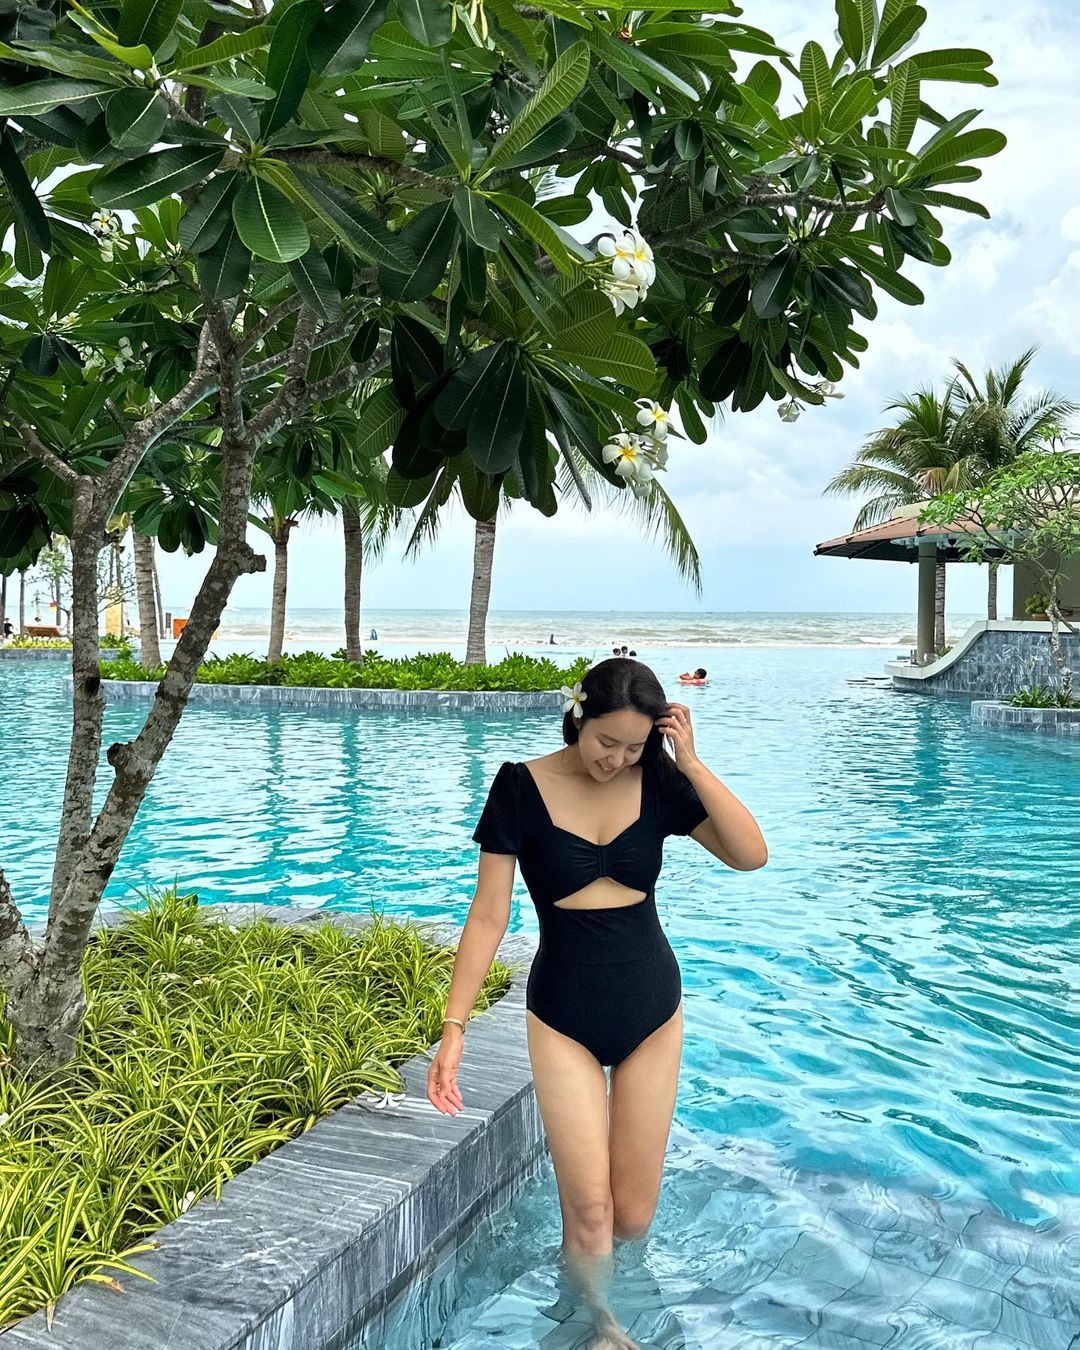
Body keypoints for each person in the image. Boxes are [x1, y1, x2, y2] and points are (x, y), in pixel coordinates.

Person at [428, 658, 767, 1343]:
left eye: (634, 748)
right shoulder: (519, 786)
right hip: (563, 1016)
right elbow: (488, 915)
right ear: (576, 718)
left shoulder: (661, 782)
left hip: (652, 1011)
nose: (617, 760)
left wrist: (690, 764)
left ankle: (603, 1313)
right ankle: (596, 1324)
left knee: (633, 1217)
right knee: (589, 1214)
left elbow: (749, 855)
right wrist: (454, 1026)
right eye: (607, 742)